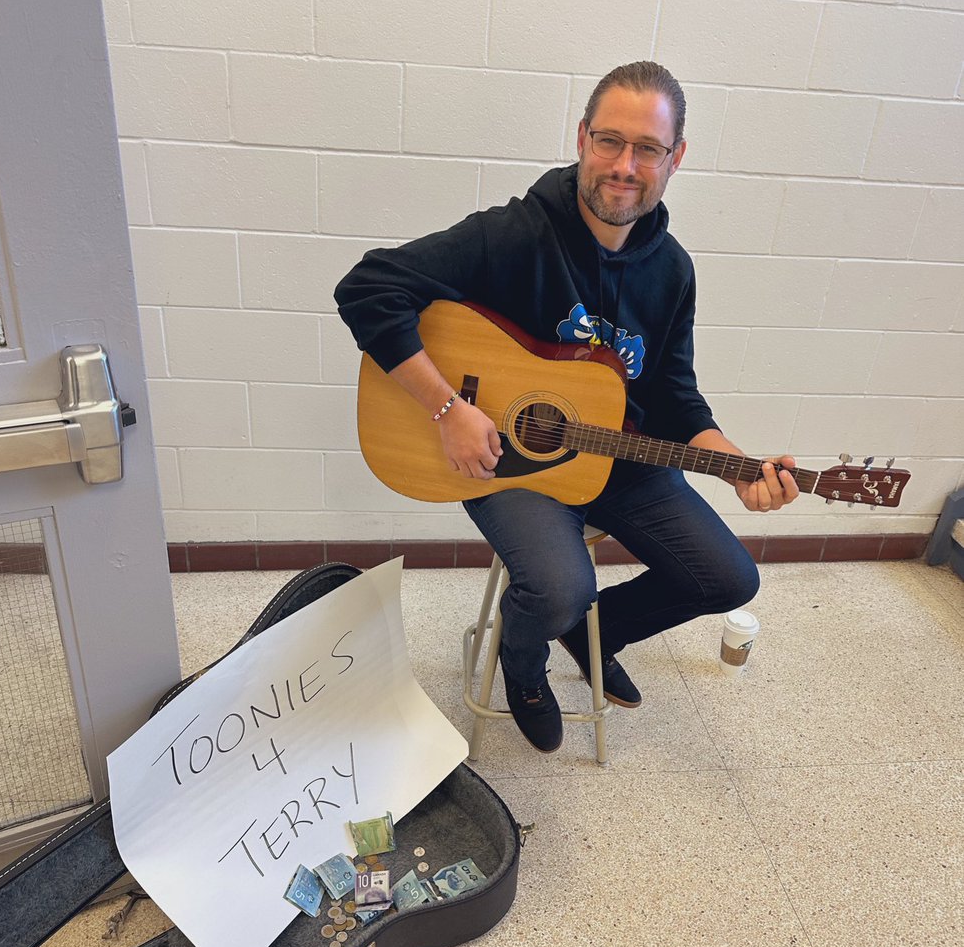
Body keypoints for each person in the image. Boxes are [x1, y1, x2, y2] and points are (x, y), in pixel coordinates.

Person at [335, 61, 799, 754]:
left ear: (675, 159)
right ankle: (521, 666)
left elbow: (672, 393)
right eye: (609, 141)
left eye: (647, 148)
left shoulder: (670, 269)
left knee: (728, 578)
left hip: (621, 457)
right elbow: (367, 288)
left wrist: (734, 465)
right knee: (558, 587)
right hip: (505, 454)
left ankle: (597, 634)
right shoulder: (512, 235)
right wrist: (446, 410)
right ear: (581, 138)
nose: (624, 165)